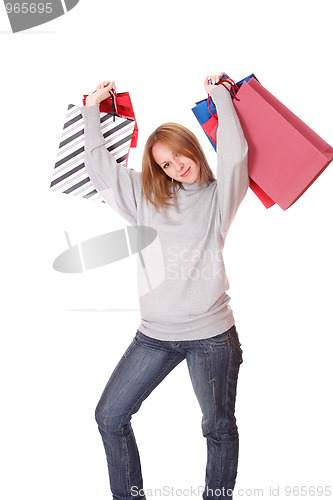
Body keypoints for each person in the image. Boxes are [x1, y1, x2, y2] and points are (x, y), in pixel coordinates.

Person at [81, 72, 249, 500]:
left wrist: (220, 97)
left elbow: (234, 155)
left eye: (179, 155)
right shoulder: (146, 199)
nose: (177, 167)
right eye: (165, 164)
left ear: (191, 148)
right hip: (153, 336)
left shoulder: (217, 196)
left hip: (211, 338)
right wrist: (91, 110)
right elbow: (101, 172)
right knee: (110, 416)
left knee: (218, 427)